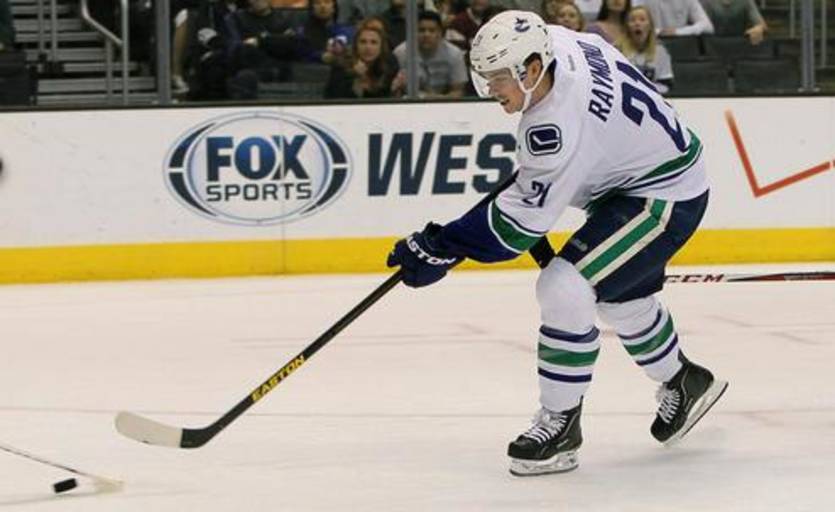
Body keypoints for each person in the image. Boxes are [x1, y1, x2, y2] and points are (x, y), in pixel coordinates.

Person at [386, 10, 727, 476]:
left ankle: (560, 424)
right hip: (644, 172)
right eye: (484, 76)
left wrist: (440, 247)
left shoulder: (555, 126)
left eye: (498, 78)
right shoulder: (557, 42)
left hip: (664, 195)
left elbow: (514, 230)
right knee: (620, 295)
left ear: (530, 69)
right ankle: (685, 381)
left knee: (564, 288)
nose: (490, 90)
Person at [392, 10, 467, 98]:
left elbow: (458, 92)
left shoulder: (454, 54)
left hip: (443, 101)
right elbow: (394, 91)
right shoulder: (401, 53)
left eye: (432, 31)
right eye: (421, 30)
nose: (426, 35)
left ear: (440, 33)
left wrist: (434, 99)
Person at [324, 22, 398, 98]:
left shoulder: (388, 67)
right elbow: (335, 100)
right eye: (363, 42)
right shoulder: (340, 69)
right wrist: (357, 78)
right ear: (356, 46)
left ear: (381, 47)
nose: (368, 47)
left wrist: (396, 90)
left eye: (374, 42)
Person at [618, 5, 673, 93]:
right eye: (632, 20)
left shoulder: (661, 51)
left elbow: (666, 85)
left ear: (650, 26)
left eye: (642, 20)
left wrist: (645, 90)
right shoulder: (617, 50)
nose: (637, 23)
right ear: (626, 26)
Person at [298, 0, 354, 64]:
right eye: (317, 3)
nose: (322, 6)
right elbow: (302, 55)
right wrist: (320, 56)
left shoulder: (347, 31)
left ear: (334, 8)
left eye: (327, 2)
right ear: (312, 9)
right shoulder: (304, 32)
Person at [700, 0, 767, 45]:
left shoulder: (746, 1)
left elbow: (762, 25)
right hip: (713, 47)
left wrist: (759, 28)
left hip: (739, 46)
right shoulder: (707, 1)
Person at [644, 0, 714, 36]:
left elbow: (708, 26)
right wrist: (661, 32)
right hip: (649, 47)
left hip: (679, 47)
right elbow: (638, 28)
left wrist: (678, 32)